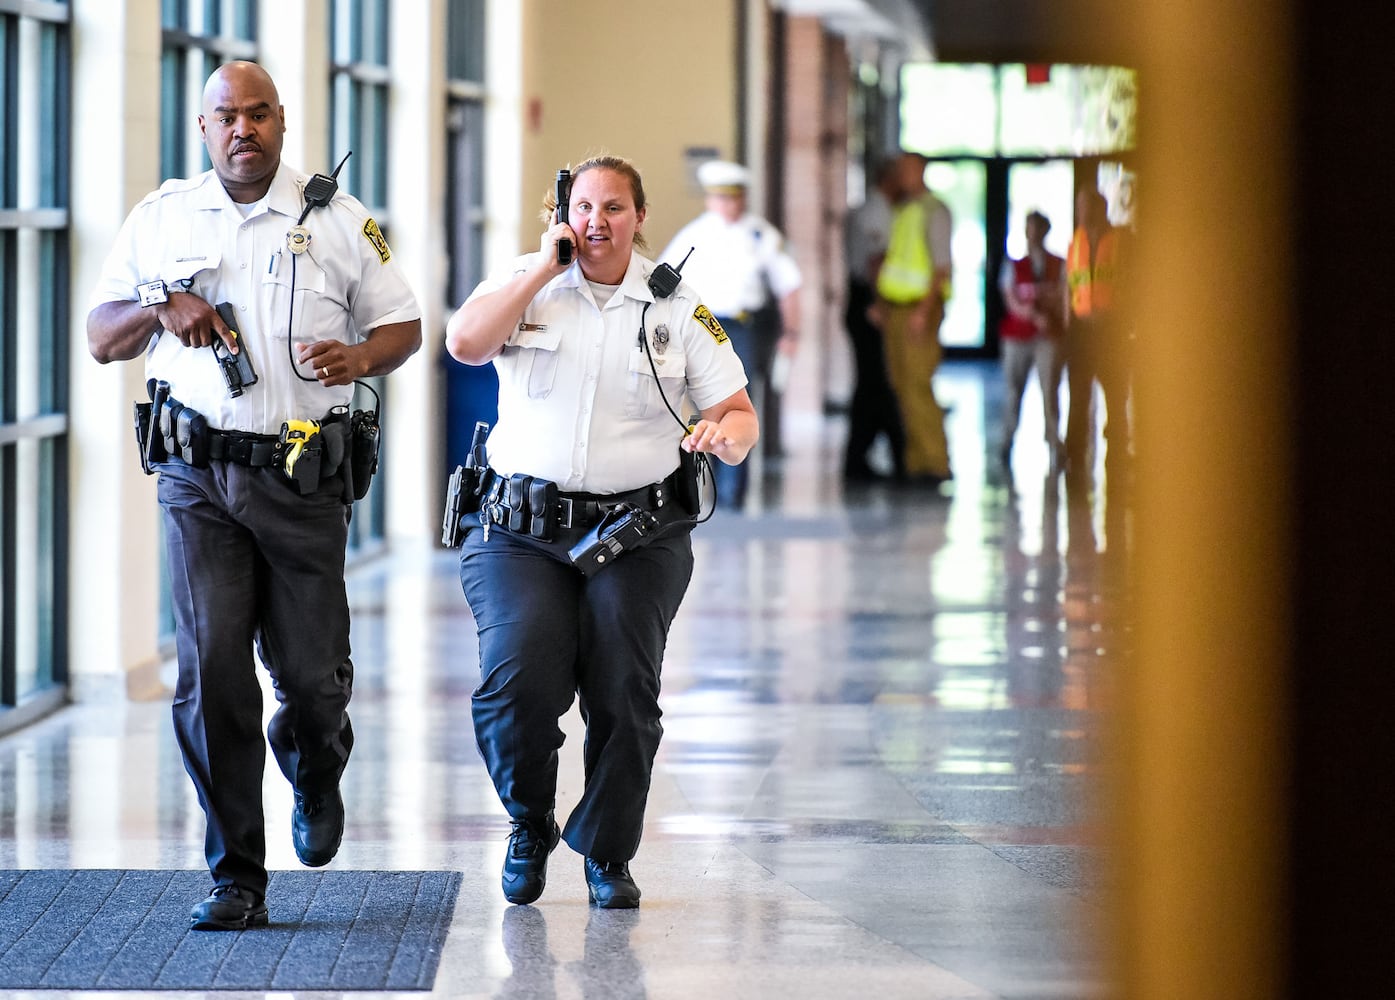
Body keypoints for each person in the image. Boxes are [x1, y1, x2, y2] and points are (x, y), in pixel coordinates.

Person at [86, 61, 423, 931]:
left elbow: (403, 325)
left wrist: (359, 359)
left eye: (258, 114)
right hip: (195, 479)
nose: (243, 129)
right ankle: (237, 872)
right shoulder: (160, 220)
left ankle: (314, 766)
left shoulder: (341, 220)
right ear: (203, 129)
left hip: (302, 479)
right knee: (211, 676)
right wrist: (163, 304)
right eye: (226, 116)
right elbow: (100, 336)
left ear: (282, 121)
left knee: (312, 679)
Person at [445, 154, 757, 909]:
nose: (596, 222)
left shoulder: (676, 307)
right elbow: (464, 344)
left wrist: (722, 435)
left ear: (638, 216)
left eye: (613, 207)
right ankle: (529, 821)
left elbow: (740, 414)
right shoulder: (526, 282)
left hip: (638, 532)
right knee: (517, 680)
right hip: (519, 531)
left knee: (624, 688)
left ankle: (608, 853)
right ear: (563, 215)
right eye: (582, 208)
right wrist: (538, 274)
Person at [660, 160, 799, 511]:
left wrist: (791, 332)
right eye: (720, 198)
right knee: (700, 406)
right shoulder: (694, 234)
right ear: (710, 200)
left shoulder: (760, 235)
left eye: (734, 198)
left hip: (743, 326)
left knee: (739, 404)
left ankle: (734, 493)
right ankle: (706, 486)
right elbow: (661, 281)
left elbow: (789, 286)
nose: (728, 205)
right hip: (703, 324)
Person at [873, 151, 954, 487]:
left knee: (918, 386)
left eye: (906, 168)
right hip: (898, 308)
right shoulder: (905, 210)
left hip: (920, 309)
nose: (900, 174)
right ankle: (916, 463)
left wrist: (923, 312)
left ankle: (935, 464)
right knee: (902, 387)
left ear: (920, 171)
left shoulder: (934, 211)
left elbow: (941, 267)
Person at [842, 159, 907, 483]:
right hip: (869, 299)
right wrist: (879, 304)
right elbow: (875, 260)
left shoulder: (870, 208)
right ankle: (887, 458)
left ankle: (861, 458)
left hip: (862, 297)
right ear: (890, 178)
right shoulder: (877, 211)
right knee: (876, 381)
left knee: (871, 384)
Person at [1063, 185, 1130, 483]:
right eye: (1079, 207)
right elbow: (1070, 287)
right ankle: (1073, 454)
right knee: (1078, 394)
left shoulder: (1121, 242)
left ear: (1101, 209)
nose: (1082, 213)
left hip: (1112, 329)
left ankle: (1117, 449)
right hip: (1081, 330)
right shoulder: (1075, 244)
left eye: (1087, 207)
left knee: (1115, 394)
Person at [998, 210, 1067, 471]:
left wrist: (1048, 316)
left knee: (1050, 390)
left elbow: (1063, 295)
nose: (1034, 235)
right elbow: (1011, 299)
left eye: (1038, 229)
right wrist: (1034, 315)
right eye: (1030, 229)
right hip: (1017, 337)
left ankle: (1053, 443)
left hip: (1048, 337)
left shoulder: (1057, 264)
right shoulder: (1013, 265)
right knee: (1013, 390)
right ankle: (1007, 441)